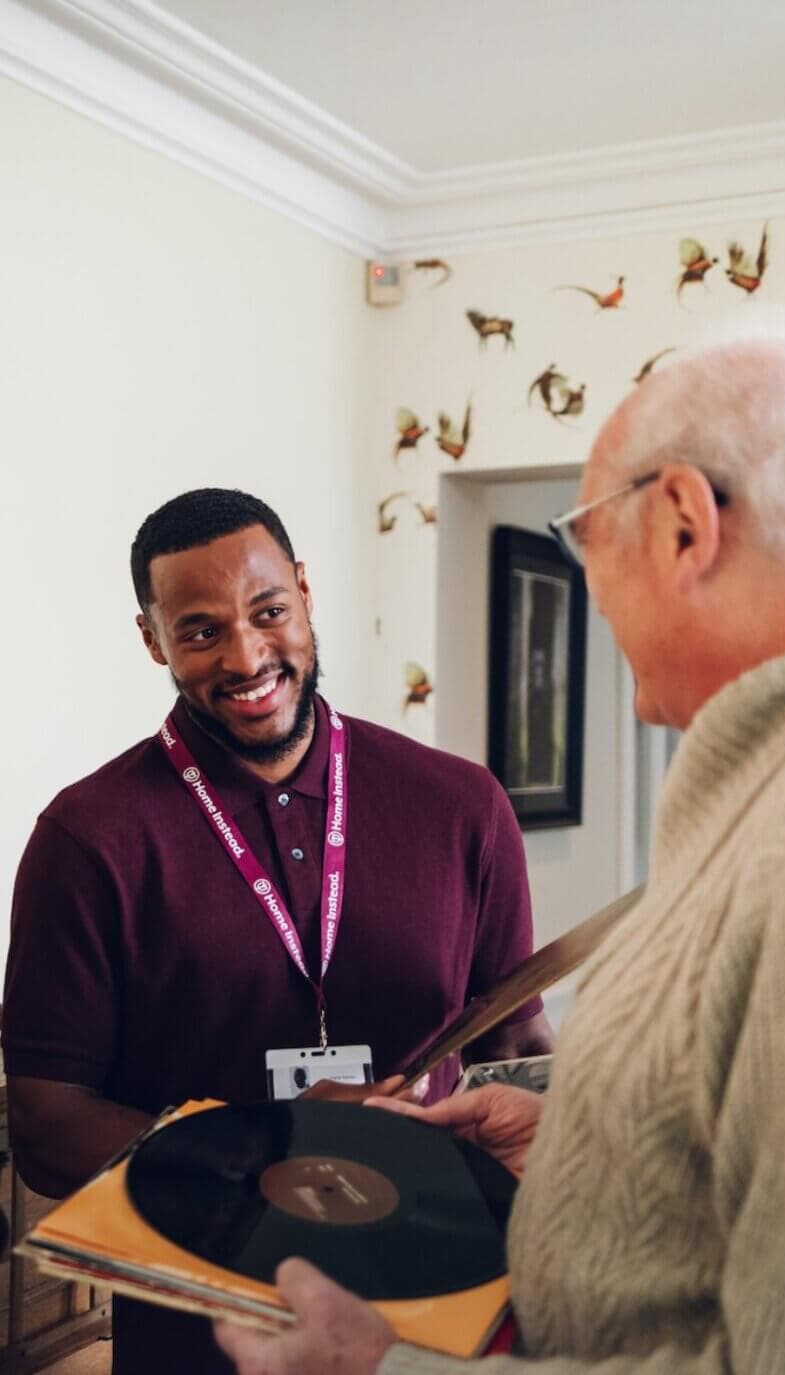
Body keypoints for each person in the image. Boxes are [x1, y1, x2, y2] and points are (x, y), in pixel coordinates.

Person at [216, 310, 785, 1375]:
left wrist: (383, 1371)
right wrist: (595, 1147)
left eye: (584, 535)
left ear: (683, 521)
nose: (588, 581)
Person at [2, 488, 552, 1375]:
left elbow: (519, 1041)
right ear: (153, 640)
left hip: (441, 1326)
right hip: (199, 1337)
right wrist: (266, 1146)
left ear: (302, 589)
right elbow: (45, 1126)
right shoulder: (86, 837)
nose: (248, 655)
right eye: (201, 630)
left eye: (268, 612)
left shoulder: (462, 806)